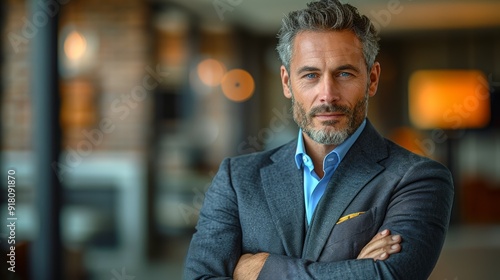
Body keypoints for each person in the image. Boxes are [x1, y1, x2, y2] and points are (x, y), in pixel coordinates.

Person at [184, 0, 454, 279]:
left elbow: (389, 276)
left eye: (344, 73)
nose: (327, 94)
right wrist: (356, 269)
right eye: (311, 75)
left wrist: (262, 269)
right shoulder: (237, 179)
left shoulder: (418, 178)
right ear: (287, 82)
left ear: (372, 80)